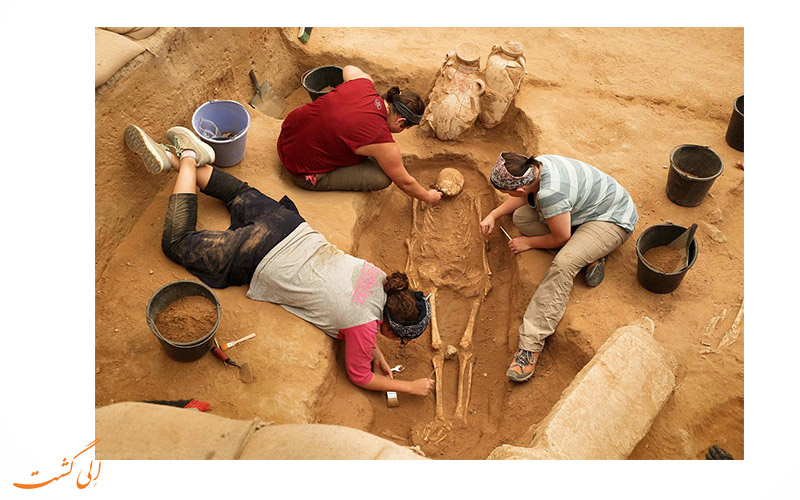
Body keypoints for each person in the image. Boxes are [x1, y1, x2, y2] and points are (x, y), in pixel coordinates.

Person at [124, 124, 435, 397]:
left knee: (237, 194)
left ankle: (176, 159)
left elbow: (361, 310)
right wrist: (409, 387)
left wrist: (374, 350)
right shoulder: (364, 328)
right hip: (257, 254)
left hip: (288, 224)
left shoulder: (380, 278)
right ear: (392, 330)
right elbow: (360, 376)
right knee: (177, 243)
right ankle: (189, 158)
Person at [480, 152, 638, 383]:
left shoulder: (550, 193)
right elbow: (524, 199)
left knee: (564, 263)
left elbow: (561, 237)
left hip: (612, 220)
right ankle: (588, 252)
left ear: (520, 188)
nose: (506, 196)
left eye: (506, 192)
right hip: (586, 211)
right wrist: (493, 214)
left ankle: (530, 346)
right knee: (522, 219)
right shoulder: (536, 167)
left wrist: (529, 243)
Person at [277, 65, 442, 205]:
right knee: (382, 177)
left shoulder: (363, 84)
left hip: (287, 135)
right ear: (400, 121)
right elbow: (405, 182)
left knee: (362, 146)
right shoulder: (383, 143)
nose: (402, 132)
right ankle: (318, 178)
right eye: (405, 128)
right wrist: (428, 197)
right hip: (300, 170)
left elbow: (349, 68)